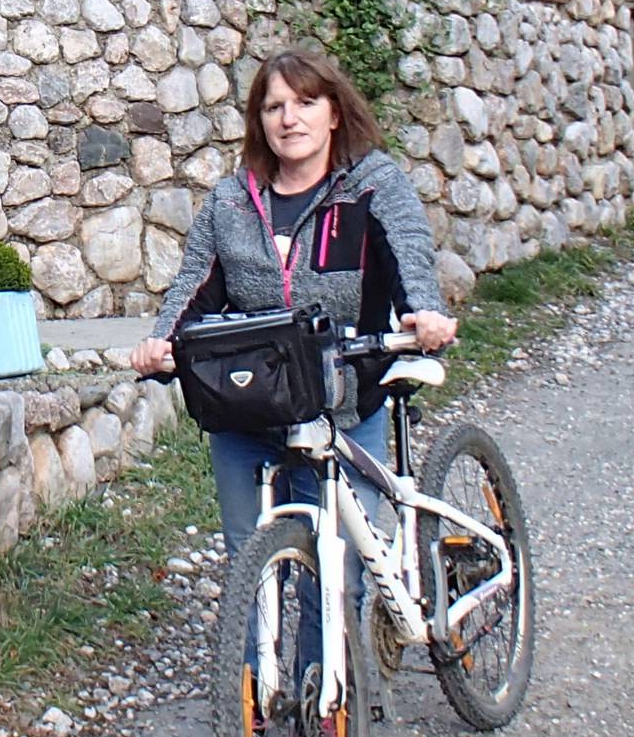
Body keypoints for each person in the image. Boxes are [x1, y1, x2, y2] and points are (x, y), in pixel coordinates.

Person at [131, 45, 458, 558]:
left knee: (340, 569)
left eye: (305, 102)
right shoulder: (231, 201)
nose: (289, 119)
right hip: (248, 407)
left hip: (345, 406)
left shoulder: (371, 185)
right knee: (249, 562)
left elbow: (408, 252)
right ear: (259, 121)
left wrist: (423, 309)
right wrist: (162, 345)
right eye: (273, 107)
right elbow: (194, 284)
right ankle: (251, 640)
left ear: (333, 112)